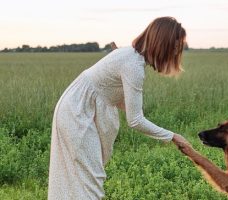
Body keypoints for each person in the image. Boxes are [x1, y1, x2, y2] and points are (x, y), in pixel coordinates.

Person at [48, 16, 190, 200]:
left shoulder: (130, 56)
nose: (176, 53)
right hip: (77, 112)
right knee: (90, 181)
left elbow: (113, 97)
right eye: (175, 47)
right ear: (162, 43)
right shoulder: (133, 65)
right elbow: (135, 120)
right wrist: (172, 136)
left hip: (78, 107)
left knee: (83, 177)